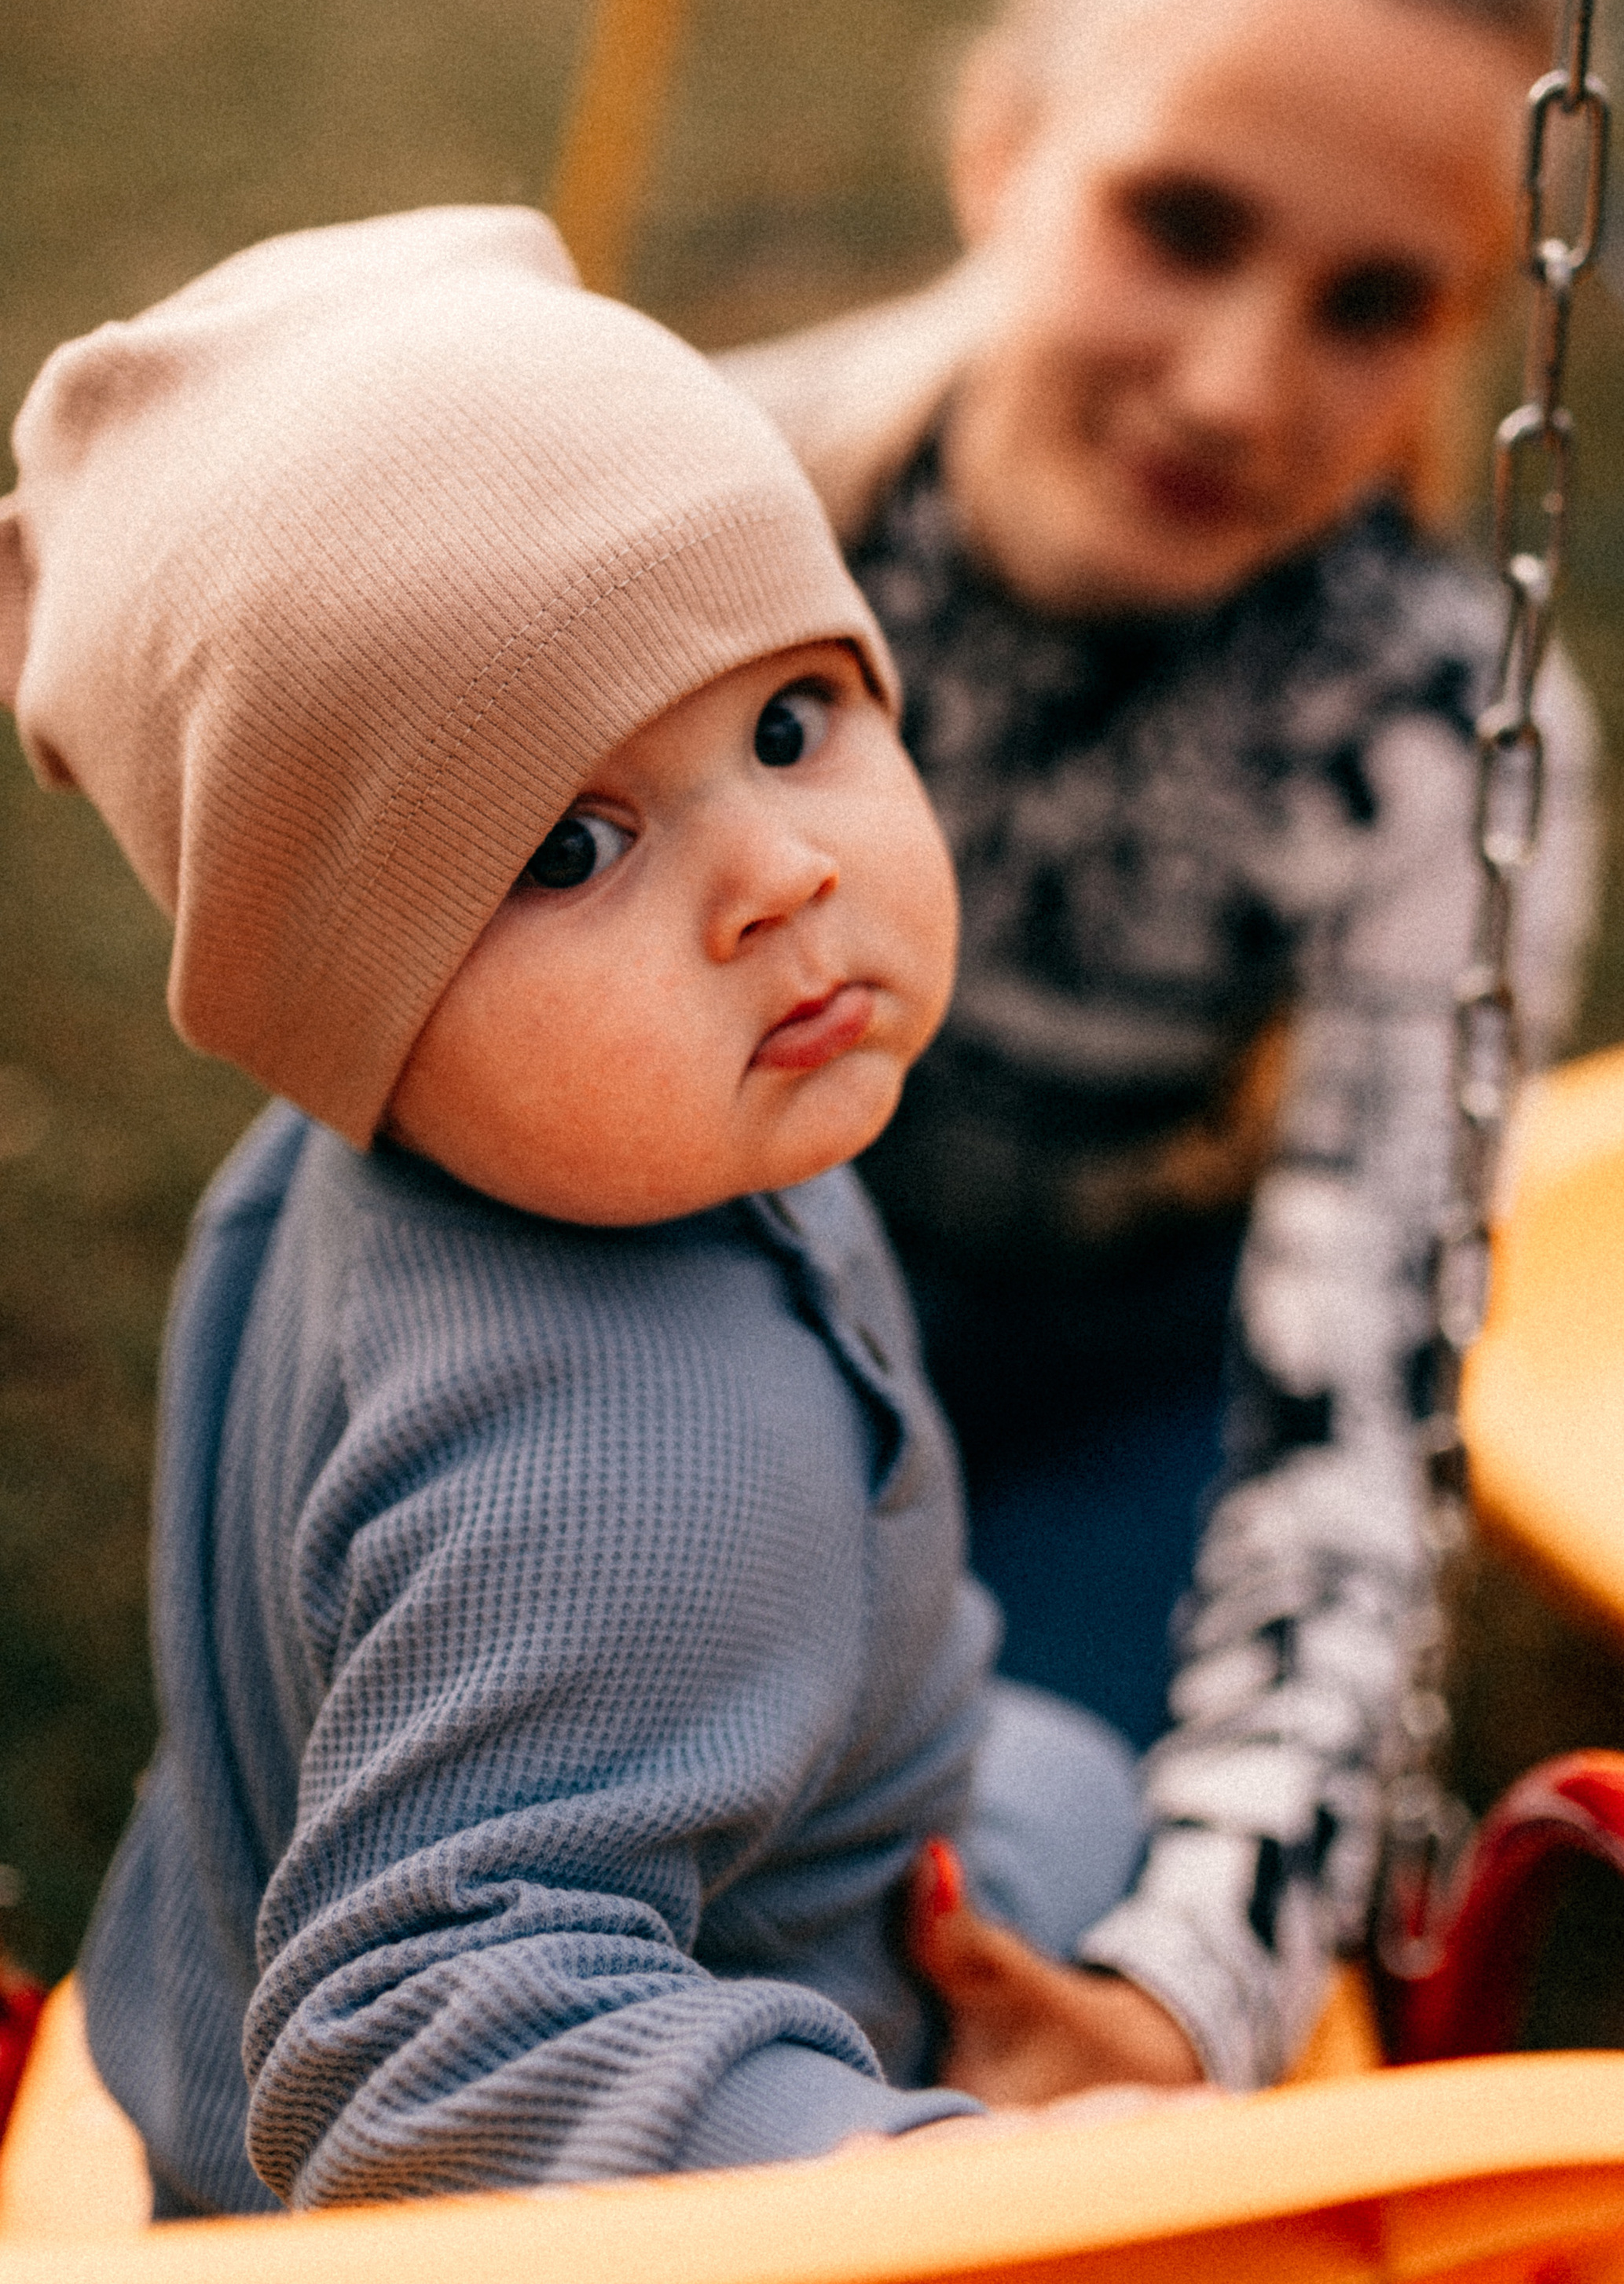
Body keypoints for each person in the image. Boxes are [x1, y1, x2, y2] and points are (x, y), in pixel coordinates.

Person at [0, 206, 1154, 2216]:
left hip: (354, 1912)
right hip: (691, 2077)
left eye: (792, 724)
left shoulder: (390, 1164)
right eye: (571, 847)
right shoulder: (625, 1448)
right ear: (345, 996)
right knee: (1113, 1819)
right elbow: (428, 2041)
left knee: (1071, 1767)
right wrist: (919, 2179)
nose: (777, 875)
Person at [725, 0, 1603, 2101]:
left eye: (1370, 306)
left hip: (1128, 1395)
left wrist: (1186, 1987)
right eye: (1179, 222)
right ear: (1005, 148)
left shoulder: (1432, 721)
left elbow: (1359, 1413)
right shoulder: (733, 507)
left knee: (1033, 1869)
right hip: (706, 1297)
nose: (1235, 386)